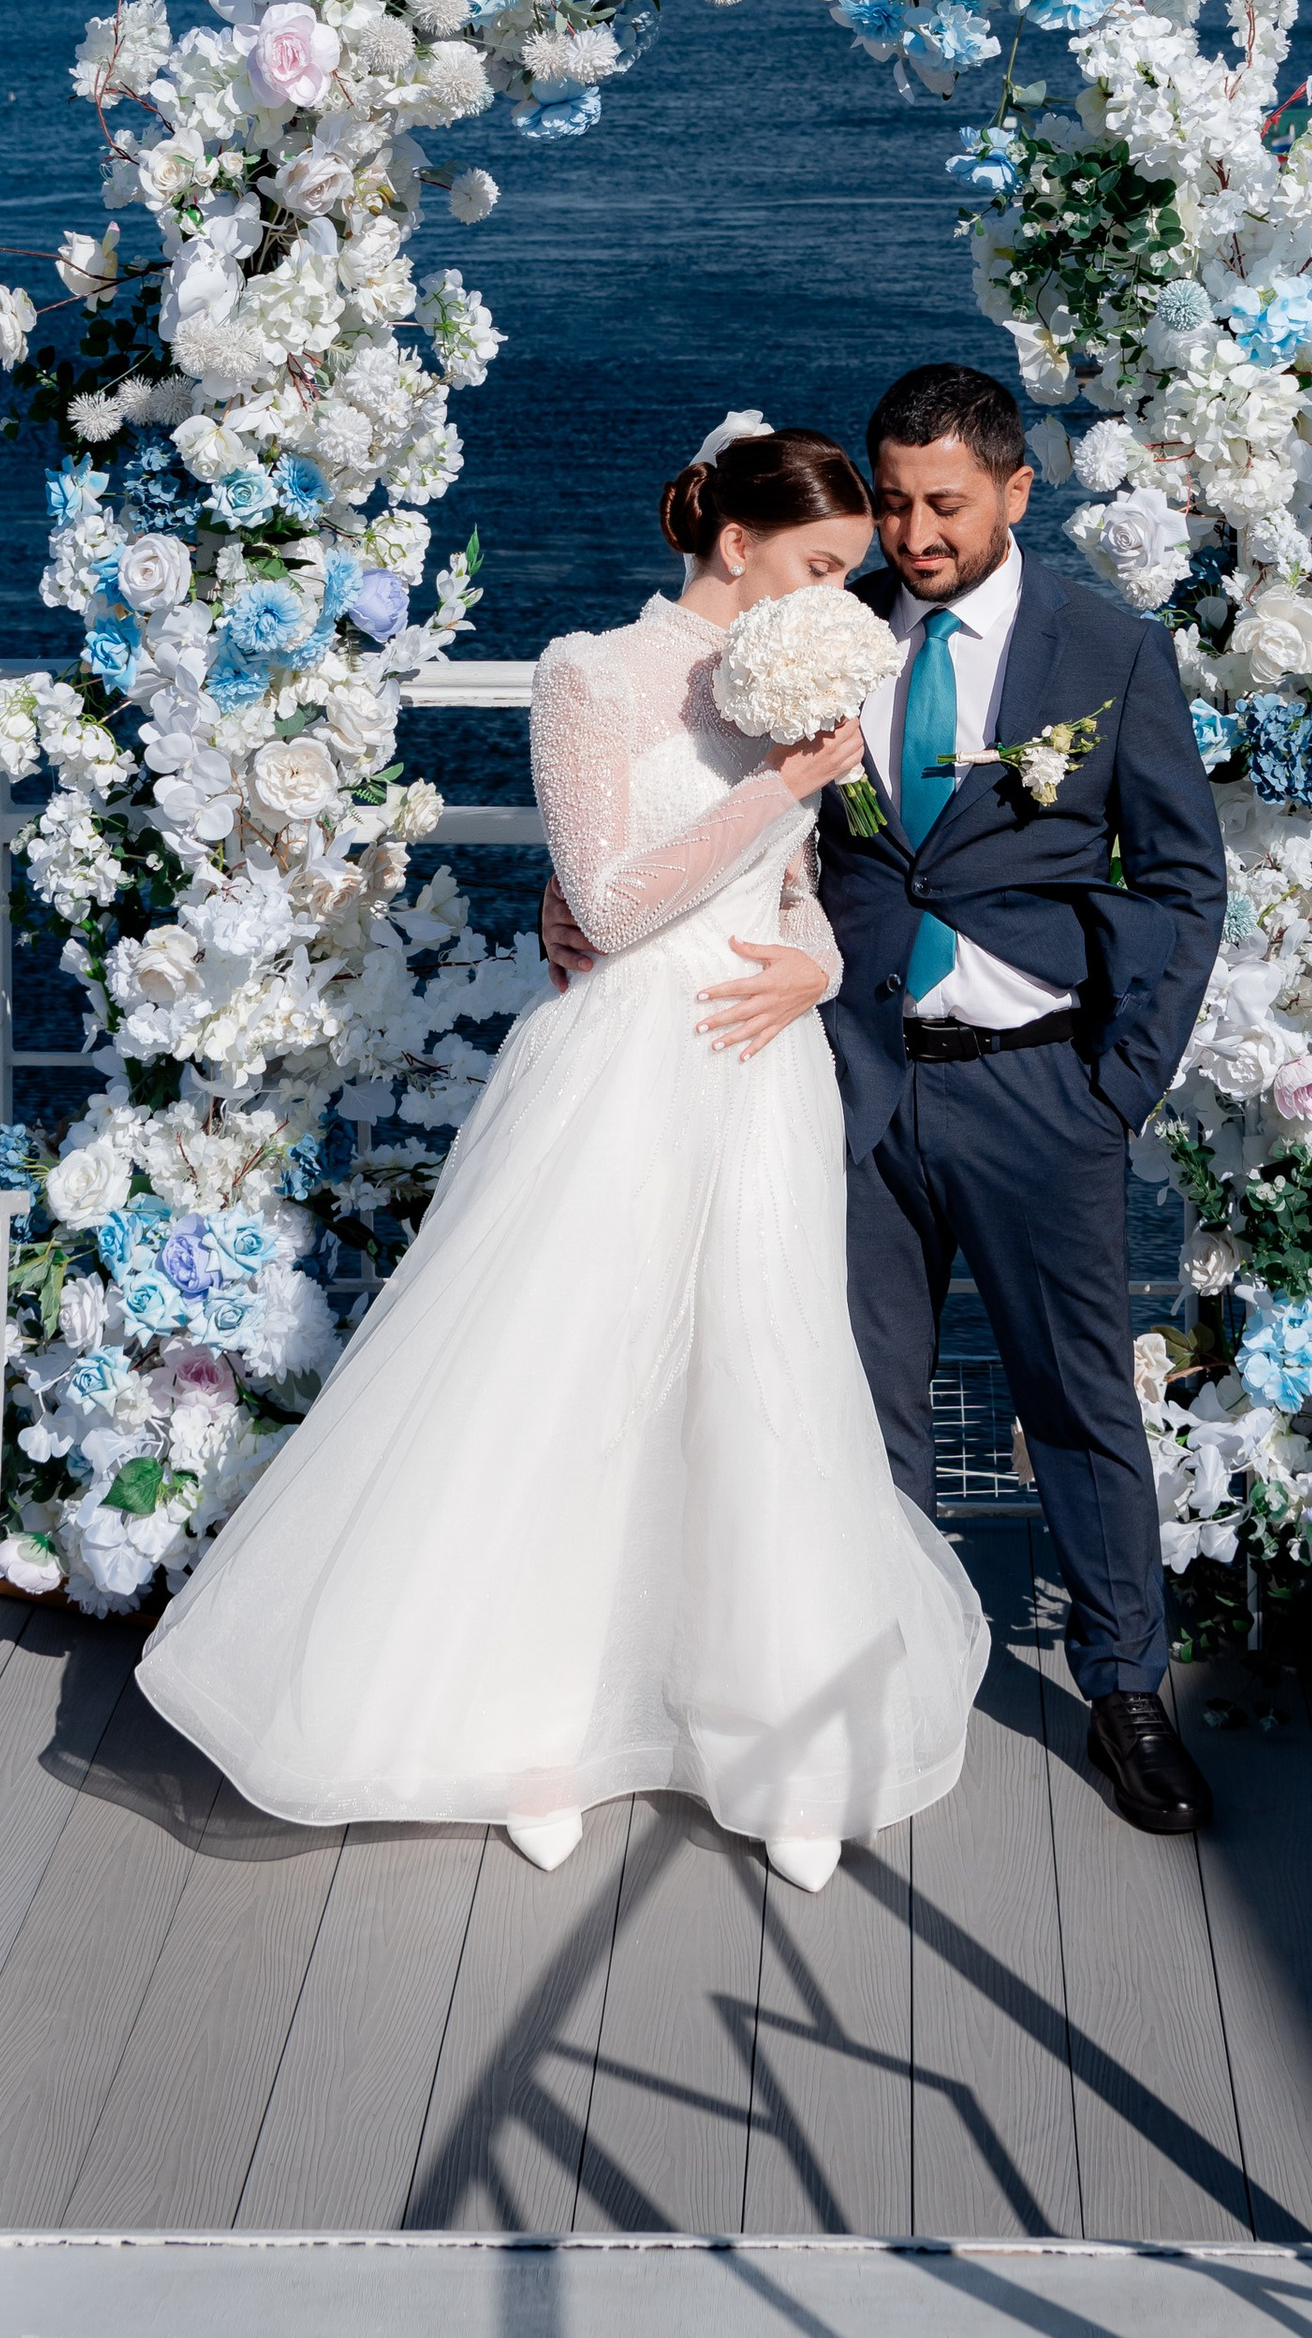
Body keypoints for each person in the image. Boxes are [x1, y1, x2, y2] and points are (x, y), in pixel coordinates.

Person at [139, 419, 987, 1896]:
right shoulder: (589, 674)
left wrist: (817, 959)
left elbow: (793, 896)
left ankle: (784, 1741)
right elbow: (606, 897)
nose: (842, 599)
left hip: (759, 1064)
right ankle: (535, 1726)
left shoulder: (798, 686)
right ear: (736, 546)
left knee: (768, 1381)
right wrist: (781, 786)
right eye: (820, 565)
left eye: (848, 575)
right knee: (573, 1387)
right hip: (624, 1071)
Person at [551, 364, 1230, 1839]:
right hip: (842, 1085)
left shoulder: (1107, 650)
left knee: (1082, 1404)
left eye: (945, 506)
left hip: (1043, 1092)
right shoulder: (821, 638)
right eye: (898, 503)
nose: (915, 536)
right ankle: (883, 1693)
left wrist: (1117, 1085)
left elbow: (1184, 878)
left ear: (1014, 494)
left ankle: (1123, 1692)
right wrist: (571, 884)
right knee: (861, 1409)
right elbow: (697, 792)